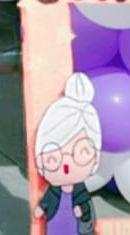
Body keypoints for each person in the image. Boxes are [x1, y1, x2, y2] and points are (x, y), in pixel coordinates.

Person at [32, 73, 100, 234]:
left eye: (81, 153)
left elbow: (87, 208)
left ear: (95, 156)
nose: (67, 164)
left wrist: (82, 211)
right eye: (53, 158)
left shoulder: (81, 191)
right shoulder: (53, 190)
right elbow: (48, 200)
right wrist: (41, 207)